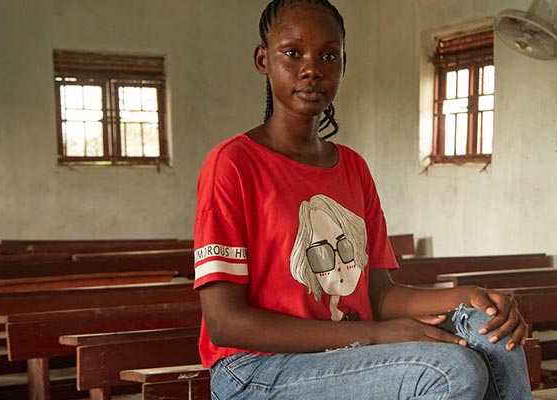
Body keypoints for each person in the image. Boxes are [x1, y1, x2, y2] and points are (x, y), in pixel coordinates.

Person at [193, 1, 533, 398]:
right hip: (254, 369)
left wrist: (470, 296)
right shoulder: (233, 163)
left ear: (342, 63)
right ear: (263, 59)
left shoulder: (352, 167)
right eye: (292, 53)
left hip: (344, 351)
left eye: (328, 55)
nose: (311, 68)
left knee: (487, 330)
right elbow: (224, 323)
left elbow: (376, 294)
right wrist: (374, 335)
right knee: (448, 372)